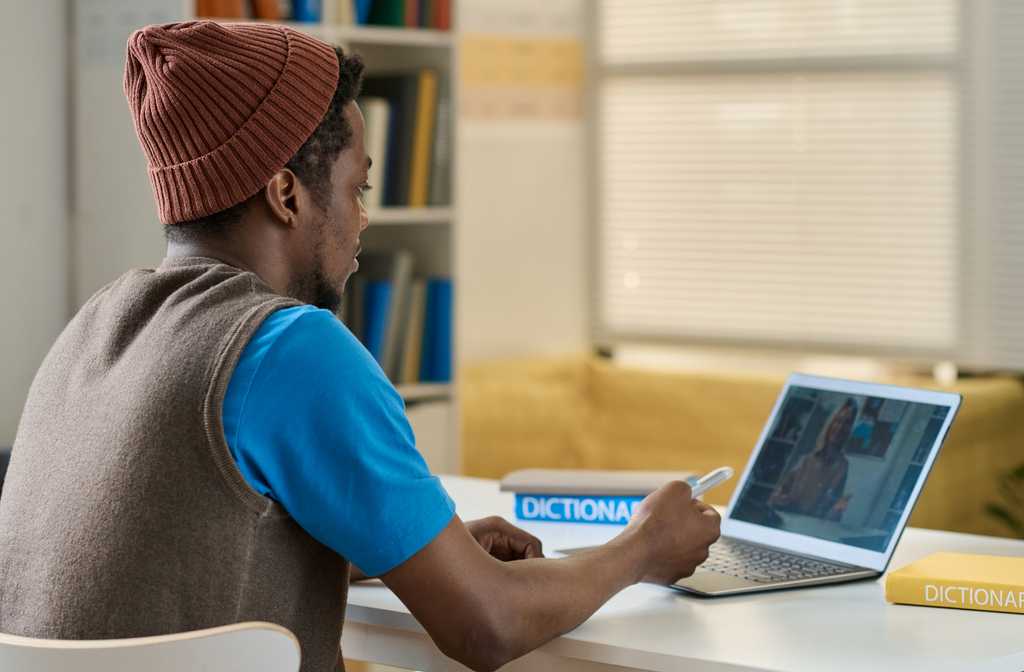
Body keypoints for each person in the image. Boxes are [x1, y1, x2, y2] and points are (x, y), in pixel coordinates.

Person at [0, 21, 720, 672]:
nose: (364, 219)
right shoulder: (290, 349)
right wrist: (641, 549)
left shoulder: (96, 327)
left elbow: (158, 567)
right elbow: (487, 627)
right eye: (357, 187)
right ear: (286, 195)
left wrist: (405, 548)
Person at [769, 398, 856, 518]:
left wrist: (837, 510)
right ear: (830, 423)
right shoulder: (806, 458)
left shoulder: (842, 466)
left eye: (847, 424)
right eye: (838, 421)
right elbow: (777, 494)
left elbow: (830, 515)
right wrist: (779, 498)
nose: (840, 428)